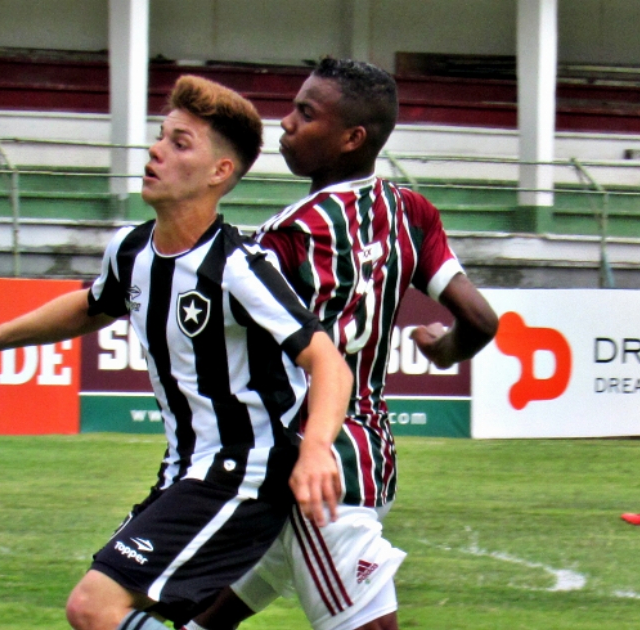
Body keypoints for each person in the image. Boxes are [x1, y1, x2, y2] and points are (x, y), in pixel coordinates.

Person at [0, 75, 353, 630]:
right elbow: (91, 305)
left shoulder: (239, 268)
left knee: (94, 606)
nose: (156, 151)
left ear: (219, 172)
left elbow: (328, 361)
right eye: (161, 136)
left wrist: (318, 446)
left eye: (180, 144)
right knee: (131, 616)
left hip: (243, 473)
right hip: (185, 472)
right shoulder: (132, 251)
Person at [185, 58, 499, 630]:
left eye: (306, 114)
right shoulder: (411, 214)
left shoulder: (289, 234)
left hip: (317, 460)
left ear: (352, 138)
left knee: (208, 614)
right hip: (349, 465)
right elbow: (480, 320)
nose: (285, 123)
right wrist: (445, 349)